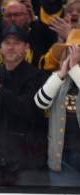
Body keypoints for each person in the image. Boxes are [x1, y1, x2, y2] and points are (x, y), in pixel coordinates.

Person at [0, 25, 49, 185]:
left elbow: (27, 109)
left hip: (27, 164)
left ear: (26, 48)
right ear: (1, 48)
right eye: (7, 42)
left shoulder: (38, 77)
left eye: (16, 43)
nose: (11, 47)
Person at [34, 40, 80, 185]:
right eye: (70, 52)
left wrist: (75, 69)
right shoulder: (58, 79)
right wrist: (61, 74)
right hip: (62, 159)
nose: (75, 56)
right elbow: (40, 102)